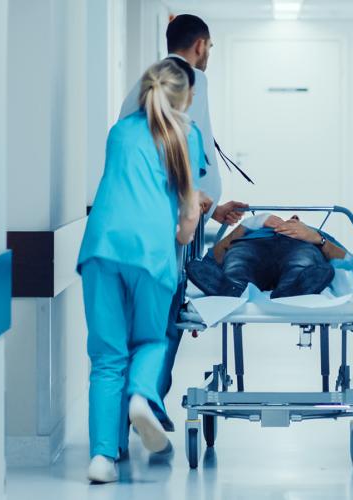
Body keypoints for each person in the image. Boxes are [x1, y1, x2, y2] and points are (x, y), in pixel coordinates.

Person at [78, 59, 204, 484]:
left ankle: (102, 457)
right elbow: (189, 214)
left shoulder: (120, 132)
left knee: (106, 355)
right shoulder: (187, 136)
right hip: (152, 252)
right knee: (150, 339)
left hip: (101, 247)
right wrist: (183, 237)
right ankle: (142, 397)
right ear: (185, 97)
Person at [121, 14, 247, 432]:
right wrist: (209, 210)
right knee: (166, 318)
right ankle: (149, 402)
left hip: (122, 224)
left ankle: (126, 415)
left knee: (126, 328)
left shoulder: (146, 81)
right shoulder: (192, 79)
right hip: (169, 222)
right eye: (209, 47)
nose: (208, 55)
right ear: (200, 45)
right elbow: (198, 145)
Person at [187, 214, 350, 298]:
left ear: (298, 219)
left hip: (300, 247)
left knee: (302, 262)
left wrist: (318, 239)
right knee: (238, 260)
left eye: (293, 219)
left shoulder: (313, 233)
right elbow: (211, 259)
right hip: (253, 245)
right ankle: (232, 286)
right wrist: (245, 227)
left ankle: (292, 287)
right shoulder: (250, 231)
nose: (285, 220)